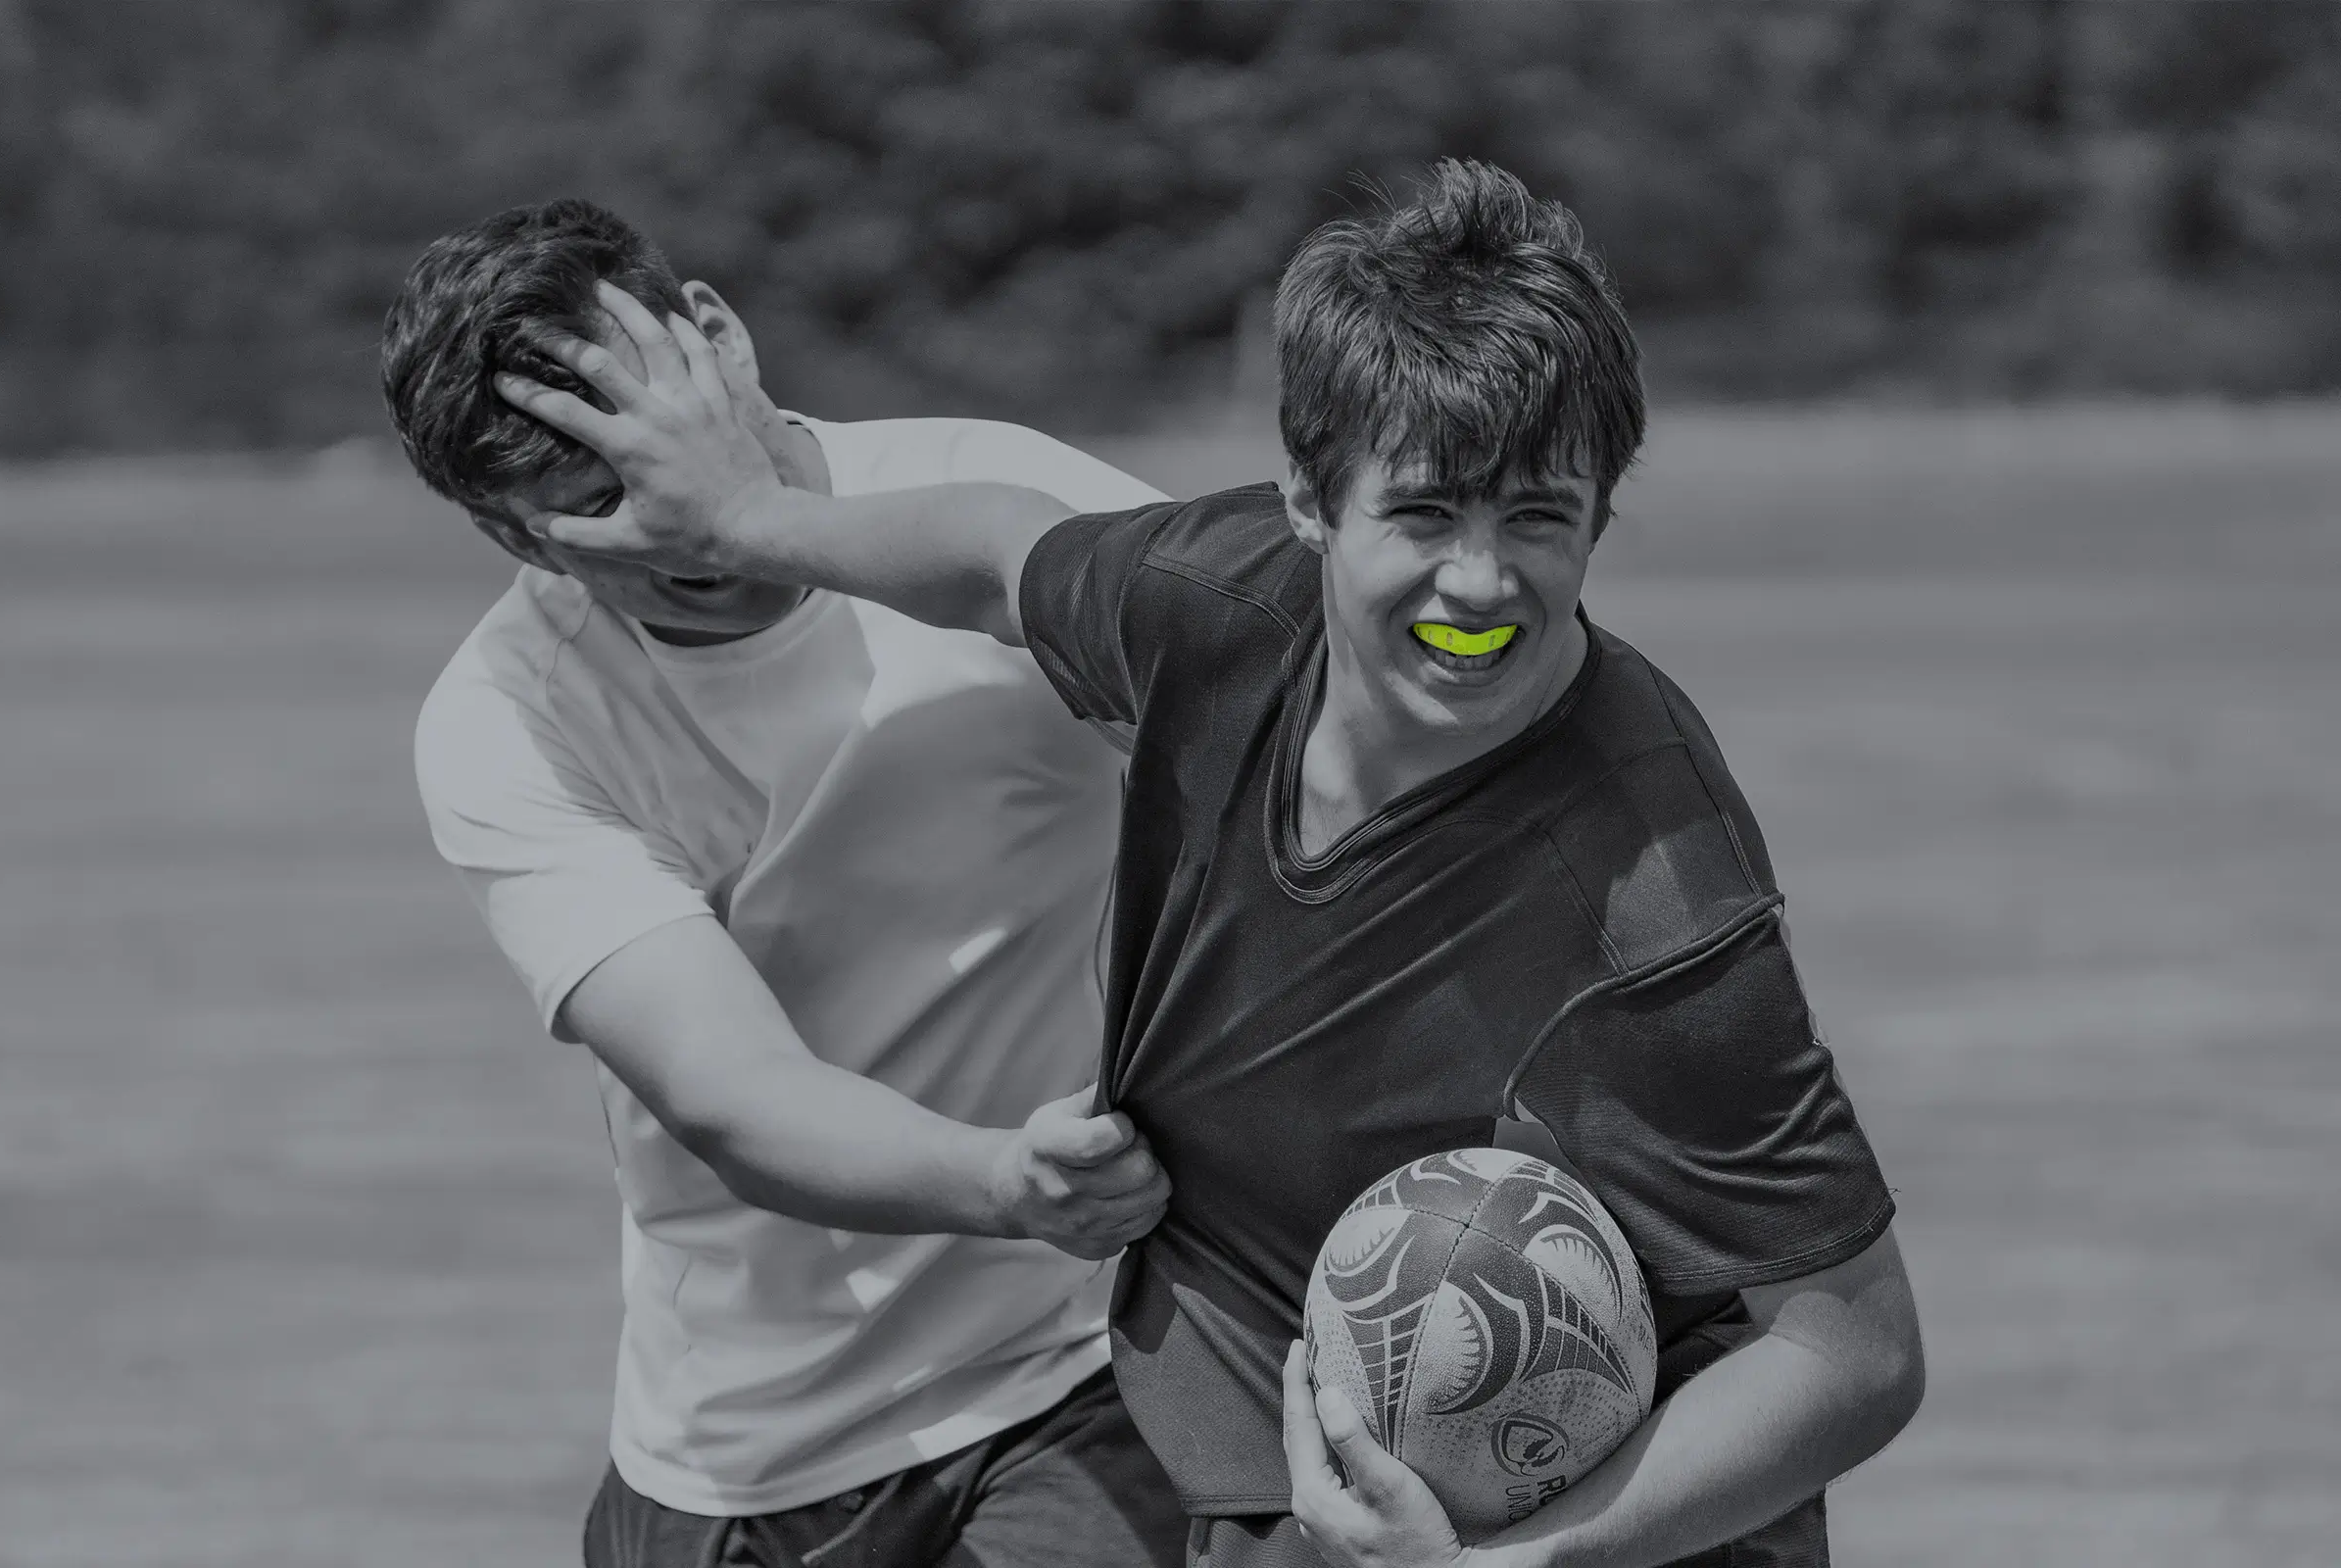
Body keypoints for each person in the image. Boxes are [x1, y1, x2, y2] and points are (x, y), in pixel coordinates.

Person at [495, 162, 1926, 1568]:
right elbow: (1000, 554)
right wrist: (751, 525)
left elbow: (1854, 1350)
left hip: (1611, 1530)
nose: (1483, 582)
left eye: (1538, 517)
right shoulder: (1215, 606)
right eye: (1426, 513)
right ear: (1306, 501)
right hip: (1263, 1455)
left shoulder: (1654, 901)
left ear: (1600, 517)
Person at [382, 198, 1189, 1568]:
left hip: (1087, 1366)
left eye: (672, 458)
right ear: (518, 544)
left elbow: (1316, 753)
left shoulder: (1001, 499)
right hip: (751, 1455)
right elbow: (734, 1093)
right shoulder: (509, 718)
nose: (677, 537)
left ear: (719, 337)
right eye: (594, 515)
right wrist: (1009, 1185)